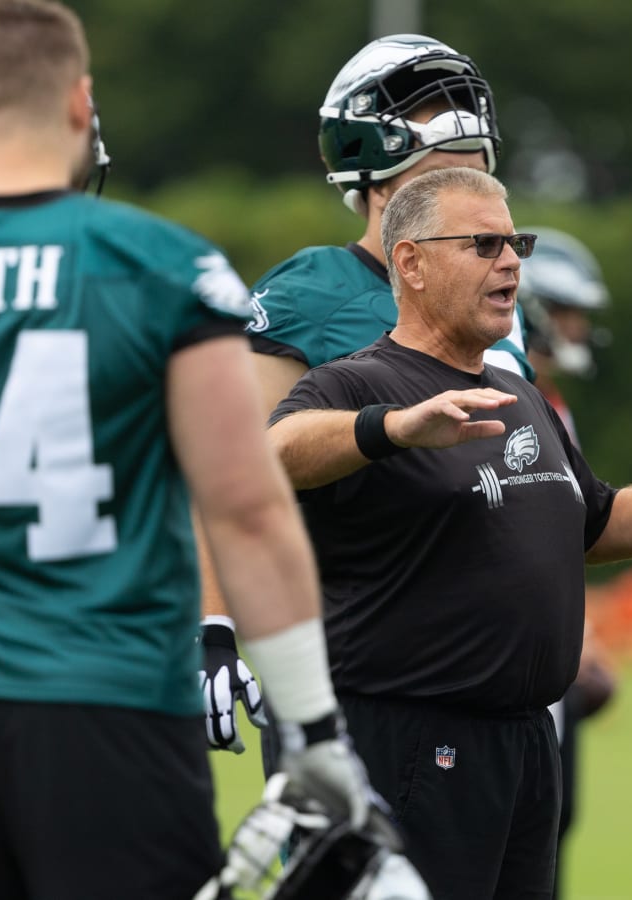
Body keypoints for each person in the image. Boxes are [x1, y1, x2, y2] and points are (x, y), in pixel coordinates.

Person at [0, 1, 375, 897]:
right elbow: (246, 509)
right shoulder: (159, 265)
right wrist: (316, 734)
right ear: (79, 105)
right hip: (107, 704)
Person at [267, 165, 632, 900]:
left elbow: (594, 520)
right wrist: (390, 429)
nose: (512, 260)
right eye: (483, 244)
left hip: (522, 747)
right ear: (409, 262)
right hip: (411, 743)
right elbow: (271, 456)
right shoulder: (358, 384)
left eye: (516, 241)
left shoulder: (518, 393)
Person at [198, 33, 533, 763]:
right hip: (367, 681)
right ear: (372, 163)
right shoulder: (310, 294)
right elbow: (231, 472)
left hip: (494, 693)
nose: (461, 130)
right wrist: (213, 626)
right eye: (432, 113)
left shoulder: (496, 295)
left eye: (464, 111)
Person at [517, 225, 618, 900]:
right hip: (505, 672)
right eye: (568, 310)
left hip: (546, 664)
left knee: (552, 829)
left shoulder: (553, 406)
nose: (578, 327)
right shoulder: (506, 400)